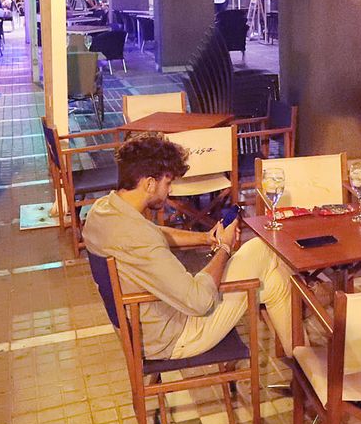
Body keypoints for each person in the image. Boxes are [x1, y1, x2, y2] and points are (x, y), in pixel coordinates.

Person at [83, 134, 295, 360]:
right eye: (168, 183)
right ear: (149, 183)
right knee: (260, 248)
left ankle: (300, 363)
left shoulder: (103, 210)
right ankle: (306, 346)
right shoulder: (139, 236)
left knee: (274, 283)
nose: (170, 191)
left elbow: (155, 234)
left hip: (147, 325)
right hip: (174, 336)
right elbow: (199, 302)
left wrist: (206, 238)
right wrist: (224, 246)